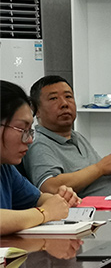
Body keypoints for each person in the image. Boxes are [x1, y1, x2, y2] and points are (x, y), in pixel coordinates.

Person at [23, 76, 111, 198]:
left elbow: (95, 176)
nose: (64, 104)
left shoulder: (76, 136)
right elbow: (50, 187)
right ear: (36, 110)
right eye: (53, 98)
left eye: (68, 96)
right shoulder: (39, 143)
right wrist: (100, 167)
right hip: (100, 206)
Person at [1, 80, 80, 236]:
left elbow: (39, 198)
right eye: (22, 129)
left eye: (30, 130)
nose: (29, 140)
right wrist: (45, 213)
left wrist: (59, 200)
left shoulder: (6, 169)